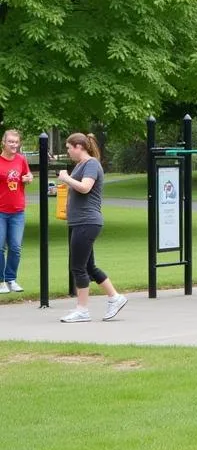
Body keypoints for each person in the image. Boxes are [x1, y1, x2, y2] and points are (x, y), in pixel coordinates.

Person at [57, 133, 127, 323]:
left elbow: (86, 187)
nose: (68, 151)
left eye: (69, 147)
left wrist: (66, 178)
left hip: (87, 221)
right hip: (79, 221)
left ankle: (82, 310)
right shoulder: (81, 166)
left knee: (78, 267)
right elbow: (78, 188)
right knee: (89, 266)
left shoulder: (92, 164)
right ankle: (115, 297)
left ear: (79, 146)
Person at [0, 128, 33, 294]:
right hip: (0, 211)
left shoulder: (21, 159)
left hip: (18, 210)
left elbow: (28, 176)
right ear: (3, 143)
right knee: (0, 247)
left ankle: (11, 279)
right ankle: (1, 282)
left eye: (16, 142)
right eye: (10, 141)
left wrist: (28, 178)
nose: (14, 144)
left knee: (15, 247)